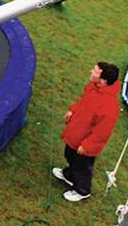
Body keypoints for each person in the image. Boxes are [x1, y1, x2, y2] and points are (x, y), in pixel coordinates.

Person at [52, 62, 121, 202]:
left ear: (103, 80)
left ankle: (82, 190)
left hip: (85, 144)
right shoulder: (92, 87)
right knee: (70, 155)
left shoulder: (109, 107)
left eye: (95, 71)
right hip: (75, 134)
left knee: (82, 167)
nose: (91, 72)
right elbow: (83, 102)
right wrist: (73, 110)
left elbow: (102, 133)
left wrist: (87, 146)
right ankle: (70, 175)